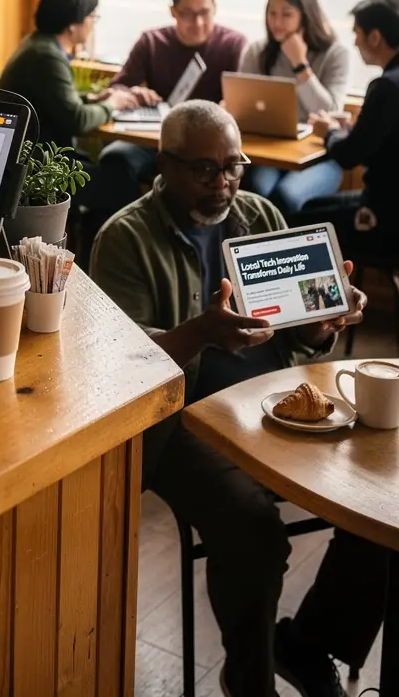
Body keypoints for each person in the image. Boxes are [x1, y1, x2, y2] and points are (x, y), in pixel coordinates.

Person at [91, 102, 382, 697]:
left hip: (276, 401)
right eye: (204, 170)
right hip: (182, 420)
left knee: (384, 499)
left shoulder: (260, 214)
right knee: (254, 531)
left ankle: (307, 643)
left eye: (234, 166)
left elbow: (302, 328)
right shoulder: (123, 238)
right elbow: (122, 369)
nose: (223, 182)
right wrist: (203, 331)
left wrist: (326, 319)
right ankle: (250, 681)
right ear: (163, 164)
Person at [89, 0, 246, 213]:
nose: (198, 22)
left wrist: (230, 107)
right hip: (158, 139)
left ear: (215, 8)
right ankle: (132, 234)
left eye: (205, 12)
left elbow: (244, 99)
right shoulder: (152, 41)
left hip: (211, 146)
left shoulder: (233, 44)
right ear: (173, 11)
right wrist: (133, 93)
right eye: (187, 14)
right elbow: (117, 87)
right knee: (115, 158)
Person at [239, 0, 349, 214]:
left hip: (322, 157)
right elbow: (244, 103)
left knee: (285, 197)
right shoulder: (258, 52)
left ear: (306, 16)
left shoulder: (335, 53)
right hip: (273, 151)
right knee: (258, 193)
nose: (276, 22)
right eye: (272, 13)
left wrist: (300, 65)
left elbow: (329, 111)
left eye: (286, 14)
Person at [304, 0, 399, 258]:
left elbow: (348, 156)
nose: (355, 41)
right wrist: (354, 128)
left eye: (357, 33)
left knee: (298, 221)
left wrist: (329, 132)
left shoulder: (386, 87)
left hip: (384, 216)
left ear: (375, 37)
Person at [0, 0, 136, 148]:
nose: (93, 23)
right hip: (38, 163)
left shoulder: (38, 43)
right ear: (72, 24)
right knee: (117, 171)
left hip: (34, 153)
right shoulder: (47, 57)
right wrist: (112, 104)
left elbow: (57, 104)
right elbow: (77, 121)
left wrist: (93, 99)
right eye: (92, 16)